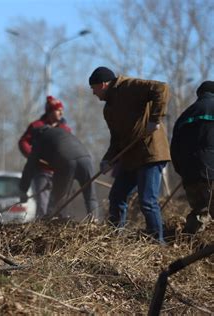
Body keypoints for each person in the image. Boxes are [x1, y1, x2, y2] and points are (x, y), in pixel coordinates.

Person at [89, 66, 170, 243]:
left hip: (150, 152)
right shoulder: (108, 110)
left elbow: (161, 88)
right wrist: (107, 159)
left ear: (103, 84)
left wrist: (155, 119)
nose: (93, 94)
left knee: (147, 201)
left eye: (93, 88)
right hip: (131, 157)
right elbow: (116, 139)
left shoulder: (129, 86)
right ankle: (114, 240)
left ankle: (157, 243)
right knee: (116, 197)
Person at [19, 126, 99, 220]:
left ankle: (54, 222)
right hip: (86, 159)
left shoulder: (40, 139)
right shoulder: (62, 132)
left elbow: (30, 166)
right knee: (90, 196)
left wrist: (23, 190)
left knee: (58, 199)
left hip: (66, 162)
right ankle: (94, 221)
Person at [171, 81, 214, 234]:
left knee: (199, 212)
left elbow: (174, 148)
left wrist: (183, 171)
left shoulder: (185, 115)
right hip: (211, 171)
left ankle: (189, 244)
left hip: (190, 174)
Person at [18, 96, 71, 219]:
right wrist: (31, 154)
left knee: (60, 203)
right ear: (50, 112)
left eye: (61, 110)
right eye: (58, 110)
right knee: (43, 204)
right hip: (42, 171)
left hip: (60, 172)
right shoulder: (37, 126)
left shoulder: (65, 129)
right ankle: (41, 227)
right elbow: (23, 142)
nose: (61, 113)